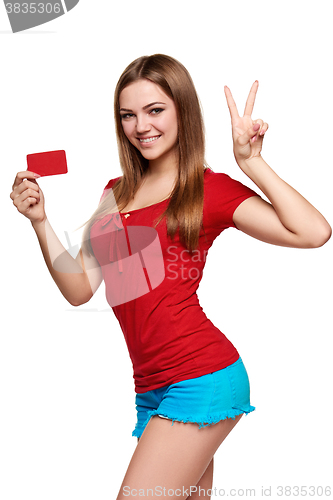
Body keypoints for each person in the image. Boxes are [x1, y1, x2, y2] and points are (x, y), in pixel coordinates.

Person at [10, 54, 331, 499]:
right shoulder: (115, 192)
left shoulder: (208, 189)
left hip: (201, 376)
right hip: (151, 387)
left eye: (155, 110)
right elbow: (79, 288)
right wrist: (40, 221)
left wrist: (251, 163)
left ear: (183, 110)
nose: (141, 126)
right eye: (128, 115)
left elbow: (313, 232)